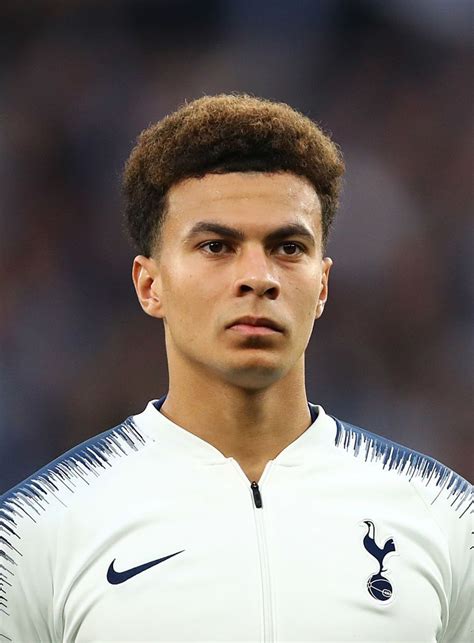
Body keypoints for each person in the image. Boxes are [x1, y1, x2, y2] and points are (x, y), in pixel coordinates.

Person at [0, 94, 471, 643]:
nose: (258, 277)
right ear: (149, 285)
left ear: (321, 285)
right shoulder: (37, 529)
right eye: (217, 246)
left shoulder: (444, 515)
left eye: (288, 247)